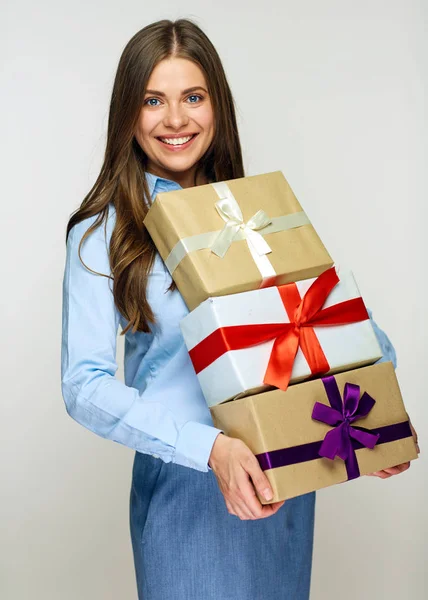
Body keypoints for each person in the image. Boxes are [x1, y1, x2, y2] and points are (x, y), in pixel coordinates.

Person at [61, 18, 418, 600]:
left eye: (193, 97)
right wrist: (211, 449)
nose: (175, 120)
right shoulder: (102, 231)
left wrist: (366, 423)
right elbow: (84, 386)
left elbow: (337, 328)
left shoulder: (257, 216)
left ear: (217, 106)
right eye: (154, 100)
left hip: (285, 471)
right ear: (128, 112)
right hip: (189, 481)